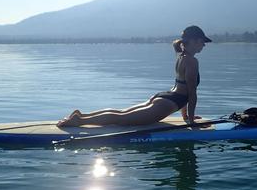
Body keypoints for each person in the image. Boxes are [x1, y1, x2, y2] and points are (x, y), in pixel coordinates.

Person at [57, 25, 212, 127]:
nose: (204, 45)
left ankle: (82, 115)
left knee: (121, 113)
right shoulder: (192, 61)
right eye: (201, 41)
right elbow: (191, 94)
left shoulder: (181, 56)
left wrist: (185, 116)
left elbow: (183, 88)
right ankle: (79, 121)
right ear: (192, 41)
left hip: (165, 97)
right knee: (121, 119)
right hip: (168, 103)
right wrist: (191, 122)